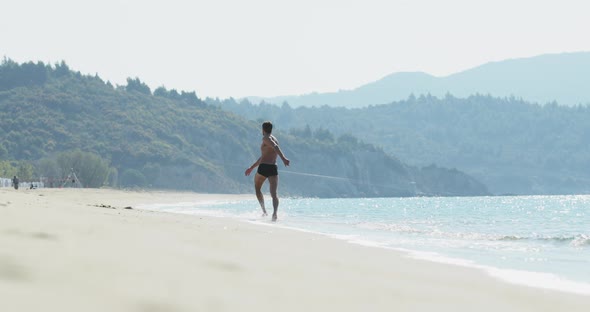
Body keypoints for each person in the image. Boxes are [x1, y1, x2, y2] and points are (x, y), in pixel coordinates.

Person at [245, 121, 290, 221]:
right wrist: (252, 167)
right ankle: (274, 214)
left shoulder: (266, 138)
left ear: (263, 129)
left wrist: (284, 158)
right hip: (273, 167)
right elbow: (263, 156)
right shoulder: (275, 139)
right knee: (274, 194)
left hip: (264, 167)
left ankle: (264, 211)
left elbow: (275, 147)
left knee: (257, 189)